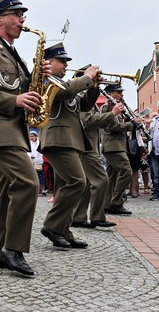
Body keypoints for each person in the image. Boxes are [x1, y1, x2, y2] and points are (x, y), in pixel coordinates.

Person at [0, 0, 45, 275]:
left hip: (14, 131)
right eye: (17, 15)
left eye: (22, 15)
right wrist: (14, 100)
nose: (22, 20)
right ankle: (13, 248)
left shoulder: (13, 54)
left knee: (4, 192)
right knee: (29, 183)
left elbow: (24, 90)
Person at [38, 43, 101, 250]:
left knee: (68, 185)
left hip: (69, 140)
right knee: (77, 182)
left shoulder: (64, 83)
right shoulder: (46, 81)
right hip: (58, 140)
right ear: (48, 62)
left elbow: (84, 105)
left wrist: (93, 86)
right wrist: (87, 78)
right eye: (62, 61)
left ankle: (63, 231)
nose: (66, 65)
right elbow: (67, 92)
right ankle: (52, 226)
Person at [73, 98, 123, 229]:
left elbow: (103, 126)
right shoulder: (82, 96)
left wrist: (109, 112)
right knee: (101, 179)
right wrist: (112, 113)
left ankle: (78, 217)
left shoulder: (90, 98)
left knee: (88, 183)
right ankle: (97, 217)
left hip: (89, 145)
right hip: (87, 146)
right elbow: (87, 120)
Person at [100, 84, 135, 215]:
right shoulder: (107, 107)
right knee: (126, 172)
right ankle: (116, 202)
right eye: (118, 92)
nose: (121, 95)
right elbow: (110, 128)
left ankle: (107, 204)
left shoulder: (117, 107)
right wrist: (131, 124)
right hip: (112, 146)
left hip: (117, 146)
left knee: (111, 177)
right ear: (110, 93)